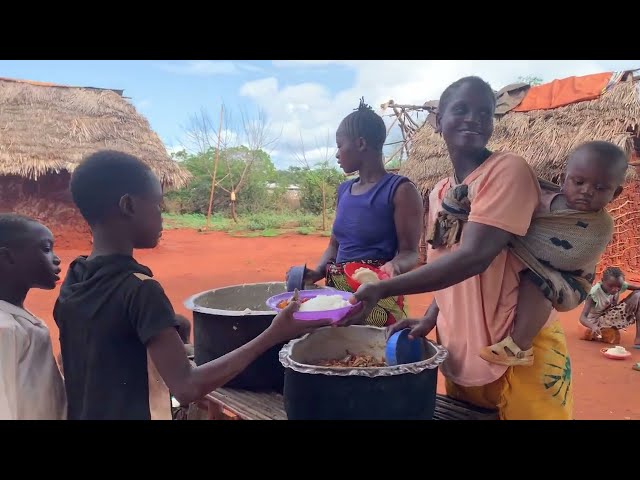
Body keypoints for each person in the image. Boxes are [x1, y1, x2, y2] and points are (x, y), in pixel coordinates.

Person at [348, 76, 573, 420]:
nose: (474, 118)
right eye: (461, 109)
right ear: (438, 123)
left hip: (518, 348)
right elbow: (448, 262)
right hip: (462, 346)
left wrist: (383, 287)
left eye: (484, 112)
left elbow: (474, 258)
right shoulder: (440, 191)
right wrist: (430, 317)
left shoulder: (506, 171)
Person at [54, 150, 330, 420]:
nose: (162, 215)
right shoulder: (140, 289)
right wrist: (274, 333)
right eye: (157, 204)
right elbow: (186, 387)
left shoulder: (77, 275)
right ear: (128, 206)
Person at [478, 141, 627, 366]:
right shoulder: (542, 197)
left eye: (600, 188)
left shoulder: (601, 225)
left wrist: (512, 238)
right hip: (526, 263)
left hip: (570, 279)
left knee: (536, 286)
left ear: (615, 193)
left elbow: (572, 256)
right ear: (564, 179)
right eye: (579, 182)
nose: (586, 191)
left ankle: (519, 346)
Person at [290, 98, 423, 327]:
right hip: (338, 298)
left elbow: (411, 252)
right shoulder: (344, 190)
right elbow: (335, 245)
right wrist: (317, 272)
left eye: (340, 145)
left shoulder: (401, 191)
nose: (337, 154)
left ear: (361, 143)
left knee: (373, 355)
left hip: (379, 296)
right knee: (338, 356)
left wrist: (394, 267)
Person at [0, 214, 66, 420]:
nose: (56, 258)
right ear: (8, 258)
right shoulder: (4, 328)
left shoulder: (19, 319)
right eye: (46, 249)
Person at [579, 266, 640, 347]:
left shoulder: (618, 283)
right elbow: (582, 318)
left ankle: (638, 338)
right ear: (602, 281)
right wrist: (593, 326)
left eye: (618, 286)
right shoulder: (594, 293)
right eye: (611, 286)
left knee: (638, 297)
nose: (615, 289)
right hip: (596, 322)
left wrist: (636, 294)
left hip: (609, 315)